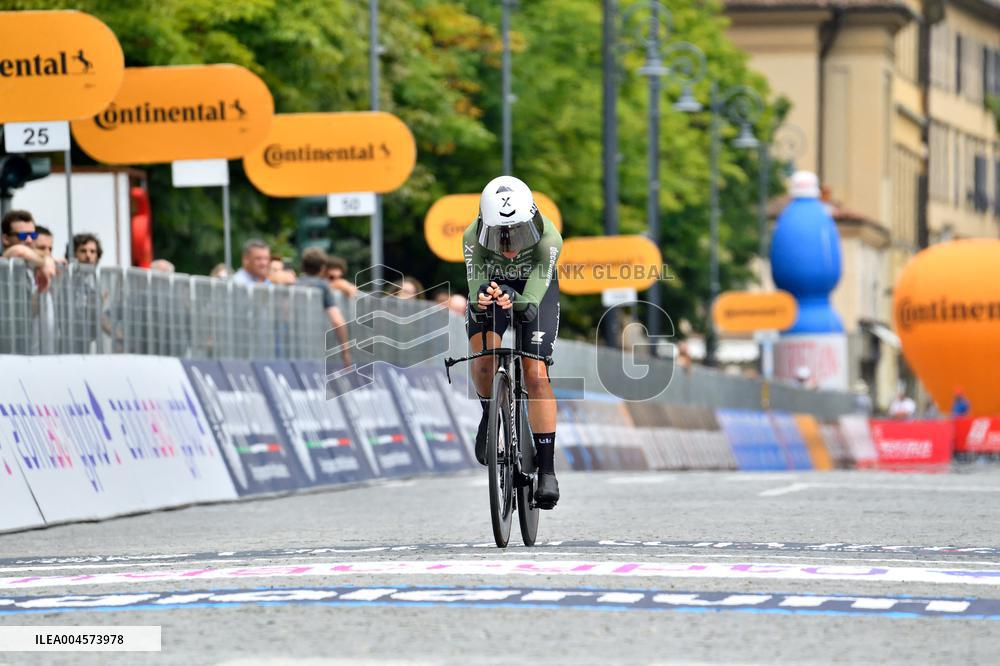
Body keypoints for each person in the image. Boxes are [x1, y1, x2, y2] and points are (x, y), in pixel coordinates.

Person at [463, 175, 562, 509]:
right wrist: (483, 296)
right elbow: (476, 282)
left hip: (534, 290)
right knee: (483, 358)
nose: (510, 245)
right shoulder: (471, 237)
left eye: (519, 234)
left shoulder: (549, 238)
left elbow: (532, 298)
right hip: (494, 287)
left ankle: (546, 469)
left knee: (535, 373)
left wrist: (517, 299)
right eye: (500, 236)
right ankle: (490, 416)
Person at [298, 248, 351, 366]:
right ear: (322, 268)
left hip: (294, 344)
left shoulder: (294, 284)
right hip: (315, 345)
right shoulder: (322, 286)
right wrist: (346, 351)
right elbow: (337, 321)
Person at [1, 210, 56, 293]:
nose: (29, 240)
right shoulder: (6, 257)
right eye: (23, 236)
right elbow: (19, 250)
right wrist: (44, 262)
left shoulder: (29, 261)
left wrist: (48, 259)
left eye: (33, 235)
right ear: (6, 239)